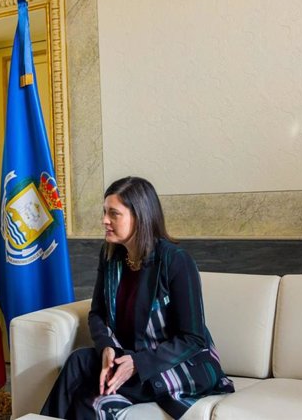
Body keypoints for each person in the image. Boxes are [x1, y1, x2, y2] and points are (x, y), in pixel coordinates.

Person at [41, 176, 234, 420]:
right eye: (104, 212)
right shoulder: (110, 256)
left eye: (114, 214)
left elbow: (192, 339)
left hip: (176, 364)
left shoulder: (176, 261)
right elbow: (97, 312)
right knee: (79, 360)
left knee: (87, 401)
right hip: (128, 354)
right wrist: (107, 348)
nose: (104, 220)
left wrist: (137, 363)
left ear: (139, 216)